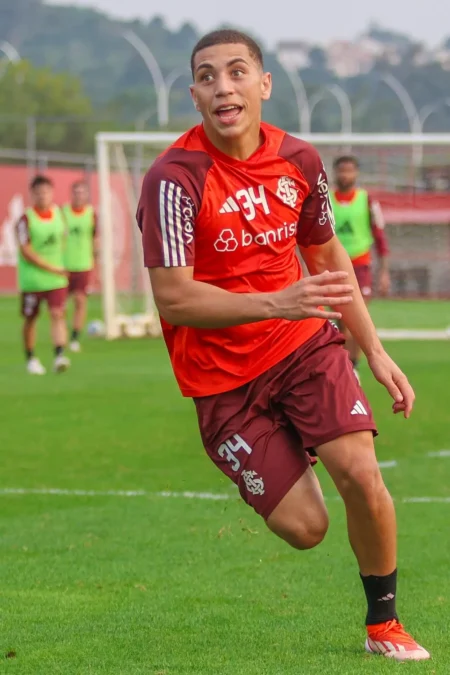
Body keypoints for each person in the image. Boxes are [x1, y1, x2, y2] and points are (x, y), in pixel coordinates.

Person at [137, 29, 429, 661]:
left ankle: (385, 623)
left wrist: (374, 351)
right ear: (195, 96)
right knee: (307, 529)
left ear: (263, 85)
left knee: (360, 471)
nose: (224, 86)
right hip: (221, 380)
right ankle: (283, 446)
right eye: (208, 76)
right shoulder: (173, 179)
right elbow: (174, 299)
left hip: (303, 347)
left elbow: (328, 260)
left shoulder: (300, 161)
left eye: (237, 72)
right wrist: (277, 300)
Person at [330, 156, 390, 380]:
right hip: (334, 266)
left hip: (360, 266)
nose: (345, 175)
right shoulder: (325, 200)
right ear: (335, 173)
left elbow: (380, 237)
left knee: (358, 317)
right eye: (341, 170)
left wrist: (384, 272)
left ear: (356, 174)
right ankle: (344, 364)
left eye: (350, 171)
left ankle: (353, 367)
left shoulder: (367, 200)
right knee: (341, 320)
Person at [16, 175, 70, 374]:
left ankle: (59, 355)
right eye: (38, 193)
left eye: (46, 192)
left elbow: (64, 241)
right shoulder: (25, 219)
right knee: (31, 319)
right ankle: (31, 358)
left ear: (52, 193)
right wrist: (51, 267)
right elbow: (26, 251)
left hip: (57, 279)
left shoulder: (60, 215)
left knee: (57, 314)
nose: (42, 196)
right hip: (33, 280)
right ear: (32, 194)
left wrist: (62, 267)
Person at [62, 180, 97, 352]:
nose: (79, 195)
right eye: (76, 192)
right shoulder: (63, 213)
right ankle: (60, 336)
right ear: (71, 194)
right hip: (64, 265)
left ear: (86, 195)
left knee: (80, 301)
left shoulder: (91, 214)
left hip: (84, 265)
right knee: (60, 305)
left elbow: (95, 239)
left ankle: (75, 337)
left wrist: (95, 263)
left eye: (82, 192)